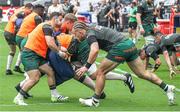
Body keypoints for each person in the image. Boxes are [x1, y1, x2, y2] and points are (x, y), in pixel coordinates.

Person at [71, 21, 176, 107]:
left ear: (80, 31)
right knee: (142, 73)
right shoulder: (92, 27)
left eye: (75, 34)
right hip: (129, 44)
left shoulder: (90, 34)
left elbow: (95, 50)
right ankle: (167, 88)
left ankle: (95, 100)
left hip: (120, 47)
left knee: (100, 72)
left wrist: (86, 67)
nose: (76, 37)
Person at [13, 12, 68, 106]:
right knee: (35, 78)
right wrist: (59, 53)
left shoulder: (49, 28)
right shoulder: (47, 26)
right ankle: (19, 97)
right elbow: (50, 43)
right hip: (30, 54)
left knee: (50, 72)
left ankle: (54, 95)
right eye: (60, 19)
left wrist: (63, 50)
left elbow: (56, 43)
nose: (61, 21)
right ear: (54, 19)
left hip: (37, 55)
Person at [4, 3, 33, 75]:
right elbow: (14, 20)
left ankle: (8, 69)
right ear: (27, 8)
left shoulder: (19, 10)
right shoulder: (22, 12)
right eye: (30, 10)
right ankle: (17, 66)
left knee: (13, 50)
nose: (31, 11)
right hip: (12, 32)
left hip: (7, 31)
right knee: (23, 49)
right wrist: (20, 25)